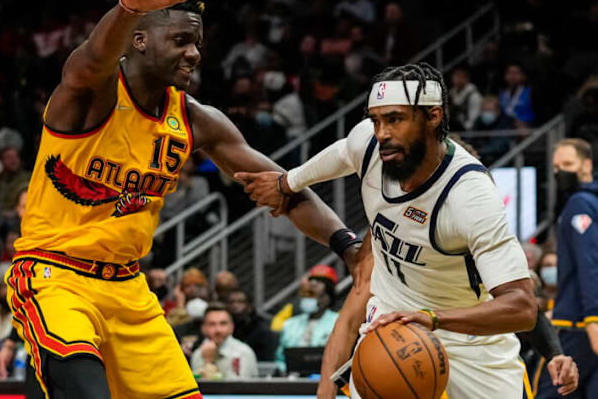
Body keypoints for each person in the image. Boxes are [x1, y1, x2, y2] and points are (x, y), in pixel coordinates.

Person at [7, 0, 362, 398]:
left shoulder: (195, 119)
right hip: (55, 275)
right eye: (180, 40)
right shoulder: (93, 93)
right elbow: (91, 59)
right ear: (139, 40)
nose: (193, 53)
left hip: (128, 288)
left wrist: (348, 246)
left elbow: (282, 186)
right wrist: (129, 7)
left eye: (197, 43)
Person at [237, 62, 579, 398]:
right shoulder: (370, 146)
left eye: (395, 119)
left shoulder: (469, 197)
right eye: (377, 120)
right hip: (391, 330)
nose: (382, 132)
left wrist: (431, 319)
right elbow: (342, 152)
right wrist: (287, 181)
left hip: (467, 339)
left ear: (433, 116)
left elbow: (521, 307)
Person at [536, 139, 598, 398]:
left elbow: (589, 264)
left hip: (586, 323)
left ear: (587, 165)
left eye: (568, 164)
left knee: (548, 390)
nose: (561, 172)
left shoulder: (580, 203)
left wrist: (591, 320)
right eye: (557, 167)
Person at [275, 265, 339, 372]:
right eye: (307, 295)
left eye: (315, 295)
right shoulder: (290, 324)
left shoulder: (338, 322)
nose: (309, 299)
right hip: (292, 380)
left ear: (327, 298)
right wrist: (286, 371)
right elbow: (279, 358)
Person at [190, 303, 258, 379]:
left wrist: (210, 362)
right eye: (212, 324)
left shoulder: (243, 353)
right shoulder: (197, 354)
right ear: (203, 328)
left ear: (232, 327)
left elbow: (240, 388)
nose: (218, 330)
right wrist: (208, 362)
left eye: (223, 323)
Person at [227, 289, 278, 362]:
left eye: (240, 302)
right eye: (231, 302)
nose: (235, 305)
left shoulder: (261, 329)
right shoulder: (225, 326)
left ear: (249, 305)